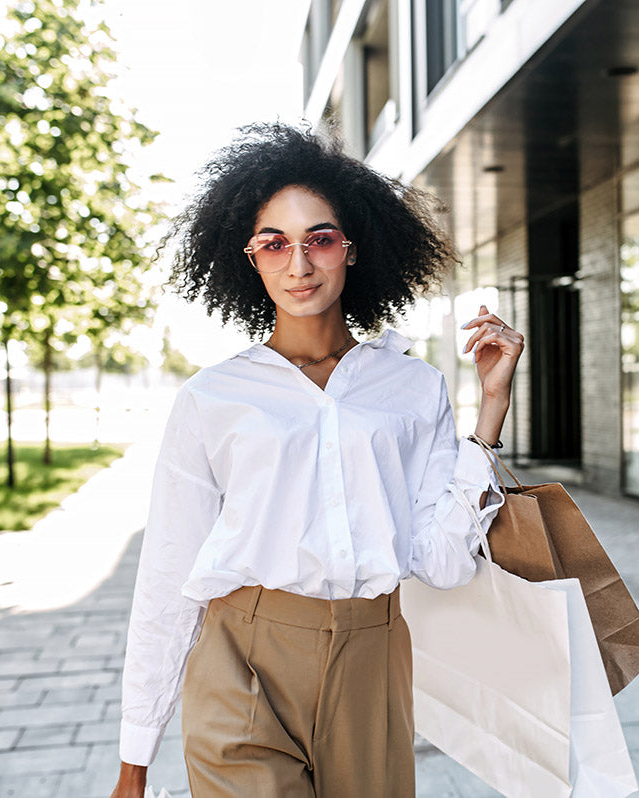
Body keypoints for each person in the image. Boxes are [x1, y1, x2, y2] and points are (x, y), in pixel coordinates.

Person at [109, 123, 523, 798]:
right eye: (274, 243)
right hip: (241, 662)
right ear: (248, 257)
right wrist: (135, 758)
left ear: (353, 247)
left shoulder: (413, 388)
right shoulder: (214, 397)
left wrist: (491, 411)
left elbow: (443, 562)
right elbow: (168, 571)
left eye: (319, 239)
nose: (298, 264)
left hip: (373, 659)